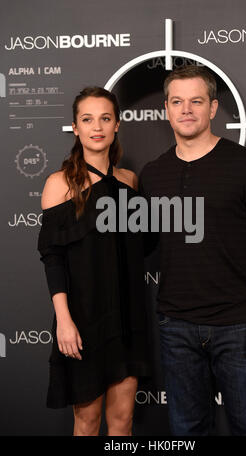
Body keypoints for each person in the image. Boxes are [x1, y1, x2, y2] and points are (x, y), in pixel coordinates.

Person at [139, 65, 246, 436]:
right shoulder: (153, 173)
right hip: (176, 327)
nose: (186, 109)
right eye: (177, 101)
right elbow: (138, 244)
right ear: (166, 109)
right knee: (186, 432)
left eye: (196, 101)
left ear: (212, 108)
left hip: (240, 325)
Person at [38, 86, 150, 436]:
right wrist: (64, 322)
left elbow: (138, 248)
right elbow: (52, 258)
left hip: (127, 317)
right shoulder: (60, 184)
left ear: (117, 124)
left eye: (105, 118)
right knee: (86, 422)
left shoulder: (130, 182)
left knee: (122, 421)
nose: (97, 126)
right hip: (82, 320)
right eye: (87, 119)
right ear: (75, 127)